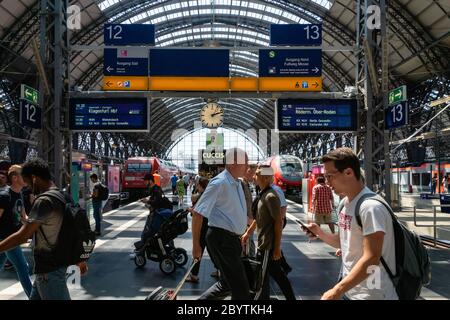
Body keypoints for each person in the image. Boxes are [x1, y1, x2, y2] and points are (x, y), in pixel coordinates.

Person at [301, 148, 398, 300]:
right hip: (351, 290)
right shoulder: (345, 204)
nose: (327, 181)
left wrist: (336, 291)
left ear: (348, 172)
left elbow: (372, 257)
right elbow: (343, 241)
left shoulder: (370, 208)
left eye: (330, 176)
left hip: (373, 293)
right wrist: (319, 232)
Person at [0, 158, 87, 300]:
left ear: (34, 178)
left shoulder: (44, 201)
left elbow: (23, 236)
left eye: (28, 182)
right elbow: (75, 230)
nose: (28, 186)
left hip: (49, 272)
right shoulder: (64, 196)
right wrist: (80, 259)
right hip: (56, 267)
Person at [189, 148, 250, 300]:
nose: (248, 166)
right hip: (222, 239)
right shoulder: (219, 183)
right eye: (246, 162)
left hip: (231, 240)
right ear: (233, 163)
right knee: (241, 289)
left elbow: (233, 211)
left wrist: (245, 227)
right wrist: (196, 246)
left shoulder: (237, 183)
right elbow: (197, 214)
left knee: (228, 284)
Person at [241, 165, 296, 300]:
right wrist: (248, 233)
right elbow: (259, 218)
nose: (254, 176)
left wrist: (277, 248)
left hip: (267, 246)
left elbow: (278, 222)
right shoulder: (263, 193)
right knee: (276, 275)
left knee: (262, 278)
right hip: (264, 244)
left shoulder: (270, 196)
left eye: (257, 174)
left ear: (265, 178)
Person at [0, 165, 33, 297]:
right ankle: (33, 297)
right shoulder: (4, 196)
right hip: (7, 239)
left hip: (13, 239)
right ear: (14, 178)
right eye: (23, 175)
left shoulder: (18, 193)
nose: (26, 178)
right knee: (23, 267)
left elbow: (24, 217)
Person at [185, 177, 218, 283]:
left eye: (197, 185)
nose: (196, 186)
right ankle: (219, 270)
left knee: (197, 250)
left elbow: (197, 213)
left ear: (200, 185)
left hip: (202, 227)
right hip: (209, 226)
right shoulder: (207, 195)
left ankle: (194, 275)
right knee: (212, 251)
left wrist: (190, 209)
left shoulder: (202, 196)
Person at [270, 182, 292, 275]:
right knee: (272, 243)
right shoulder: (269, 189)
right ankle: (283, 266)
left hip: (277, 221)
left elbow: (283, 206)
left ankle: (283, 266)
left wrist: (280, 221)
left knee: (274, 243)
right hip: (274, 221)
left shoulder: (275, 189)